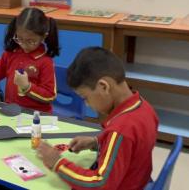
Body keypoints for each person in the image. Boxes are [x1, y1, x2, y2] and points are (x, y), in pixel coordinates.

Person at [37, 47, 159, 190]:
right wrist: (96, 142)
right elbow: (132, 148)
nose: (87, 105)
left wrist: (57, 163)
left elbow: (100, 183)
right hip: (140, 181)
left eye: (85, 98)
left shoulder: (120, 130)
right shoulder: (144, 107)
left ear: (103, 87)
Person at [0, 7, 59, 113]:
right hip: (12, 110)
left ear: (43, 37)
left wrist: (27, 87)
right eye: (19, 38)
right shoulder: (11, 53)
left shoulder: (45, 62)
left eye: (31, 41)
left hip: (35, 115)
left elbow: (50, 95)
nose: (23, 44)